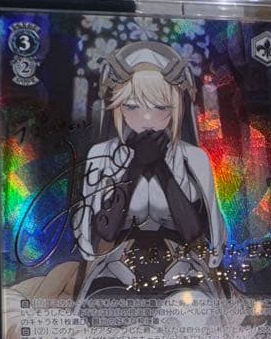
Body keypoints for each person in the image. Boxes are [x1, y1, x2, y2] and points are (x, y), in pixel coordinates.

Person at [72, 39, 226, 319]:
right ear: (117, 107)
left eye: (160, 107)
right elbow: (104, 232)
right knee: (104, 313)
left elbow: (194, 232)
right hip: (115, 272)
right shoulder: (102, 154)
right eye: (132, 106)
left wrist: (160, 168)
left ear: (176, 108)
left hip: (182, 272)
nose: (146, 118)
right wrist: (136, 166)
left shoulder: (193, 158)